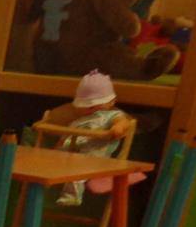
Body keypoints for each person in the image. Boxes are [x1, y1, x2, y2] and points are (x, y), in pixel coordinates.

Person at [42, 70, 139, 207]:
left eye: (96, 106)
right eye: (87, 107)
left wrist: (118, 127)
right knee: (48, 161)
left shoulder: (111, 115)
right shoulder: (77, 121)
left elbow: (123, 121)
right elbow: (66, 137)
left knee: (77, 170)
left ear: (111, 102)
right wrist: (58, 148)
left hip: (94, 156)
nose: (92, 110)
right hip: (70, 153)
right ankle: (44, 181)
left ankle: (72, 195)